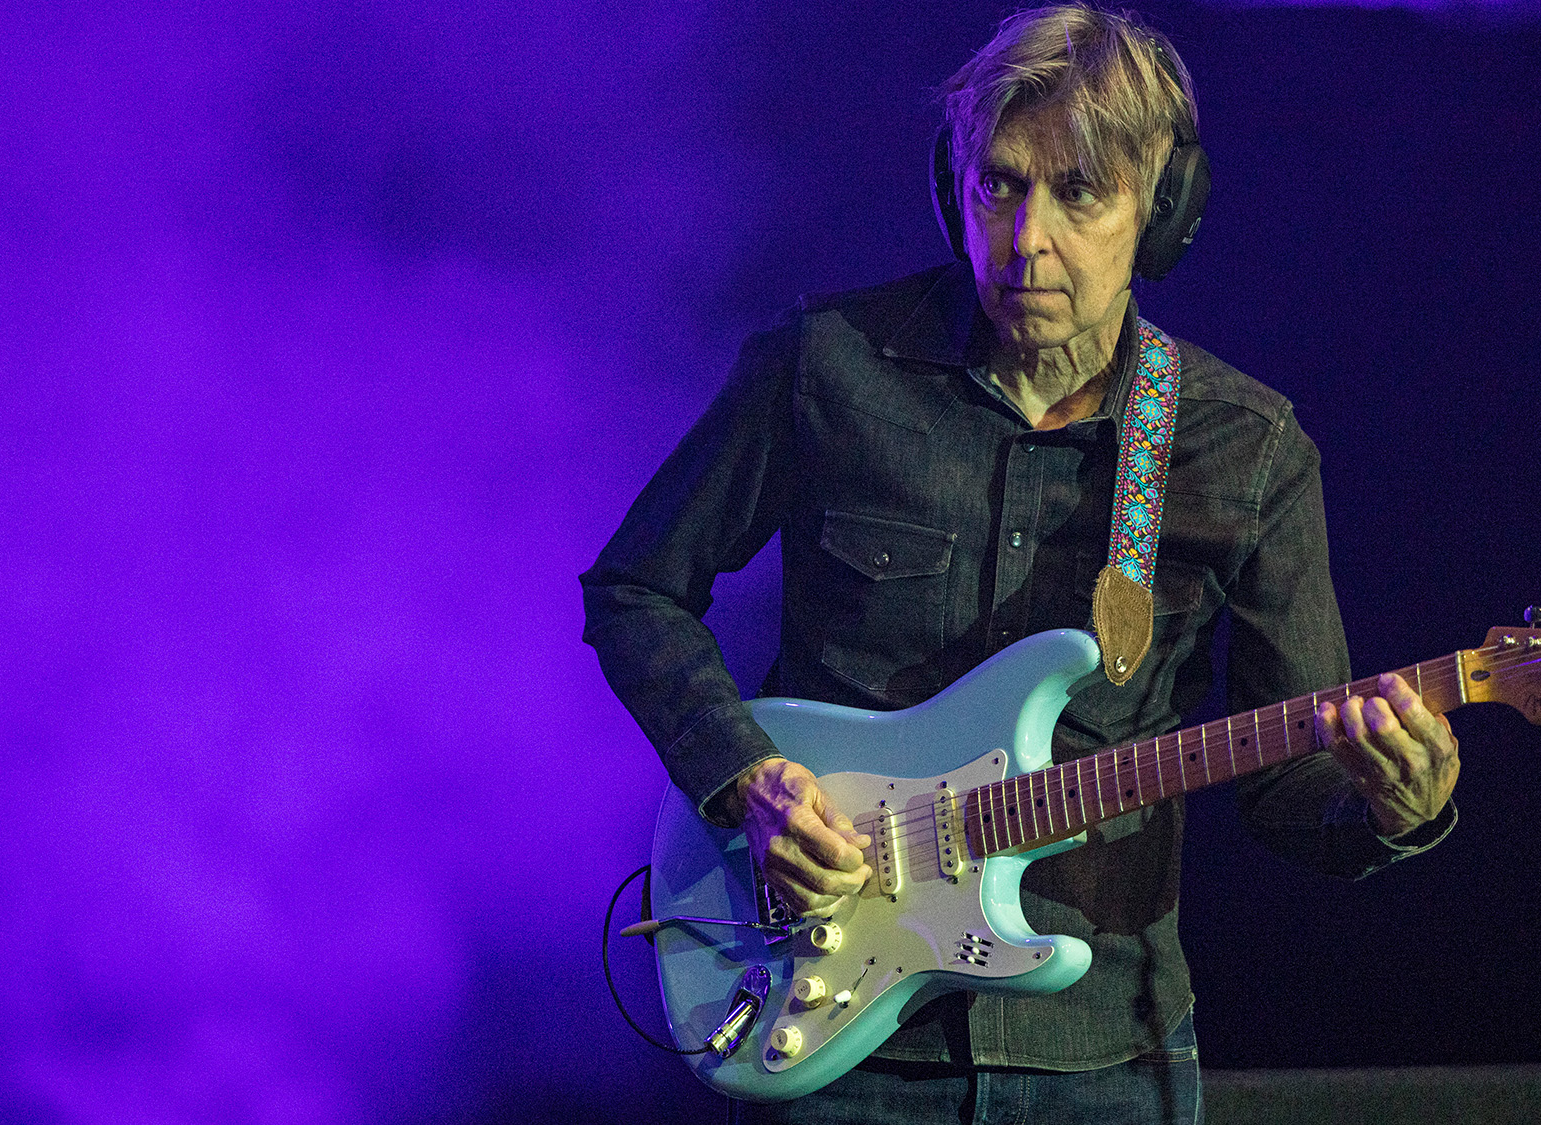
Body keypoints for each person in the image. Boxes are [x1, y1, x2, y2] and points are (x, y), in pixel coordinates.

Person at [581, 6, 1460, 1122]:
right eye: (998, 184)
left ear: (1163, 211)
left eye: (1078, 191)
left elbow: (1291, 792)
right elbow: (634, 589)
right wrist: (748, 781)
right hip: (837, 1044)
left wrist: (1395, 808)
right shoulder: (828, 368)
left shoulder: (1246, 449)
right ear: (952, 187)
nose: (1024, 237)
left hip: (1104, 1057)